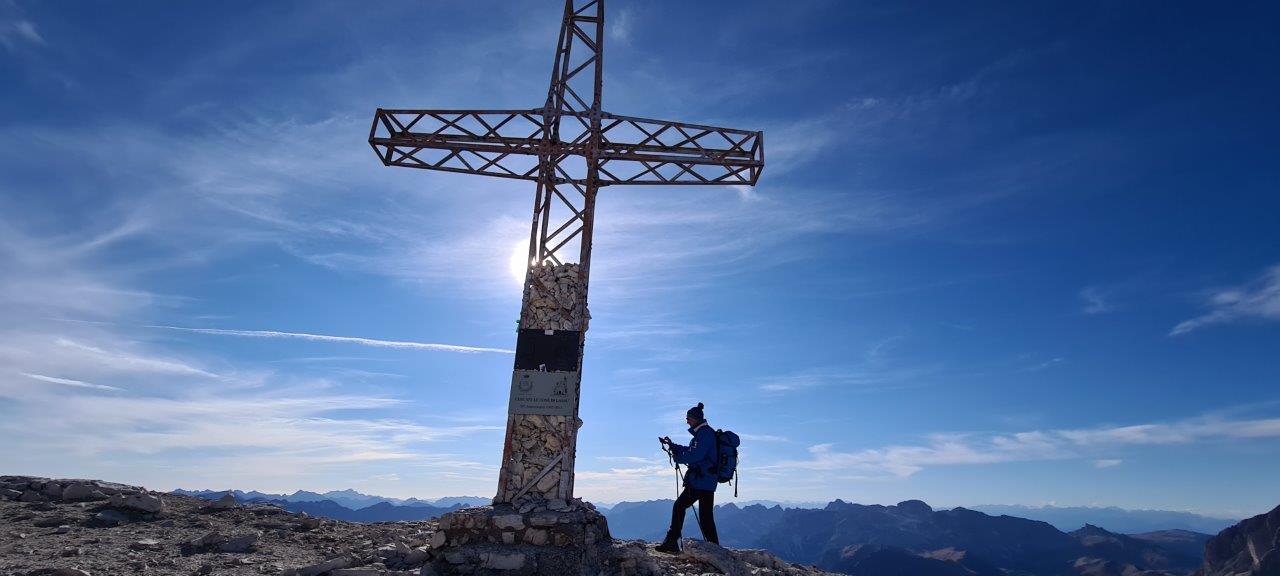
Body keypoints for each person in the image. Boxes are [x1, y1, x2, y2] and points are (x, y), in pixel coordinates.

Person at [656, 402, 719, 553]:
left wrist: (678, 458)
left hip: (700, 480)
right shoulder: (704, 433)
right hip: (707, 480)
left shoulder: (704, 434)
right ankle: (715, 547)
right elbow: (692, 450)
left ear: (696, 418)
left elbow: (695, 455)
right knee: (705, 516)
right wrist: (673, 446)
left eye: (688, 418)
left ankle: (672, 541)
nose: (687, 421)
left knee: (679, 506)